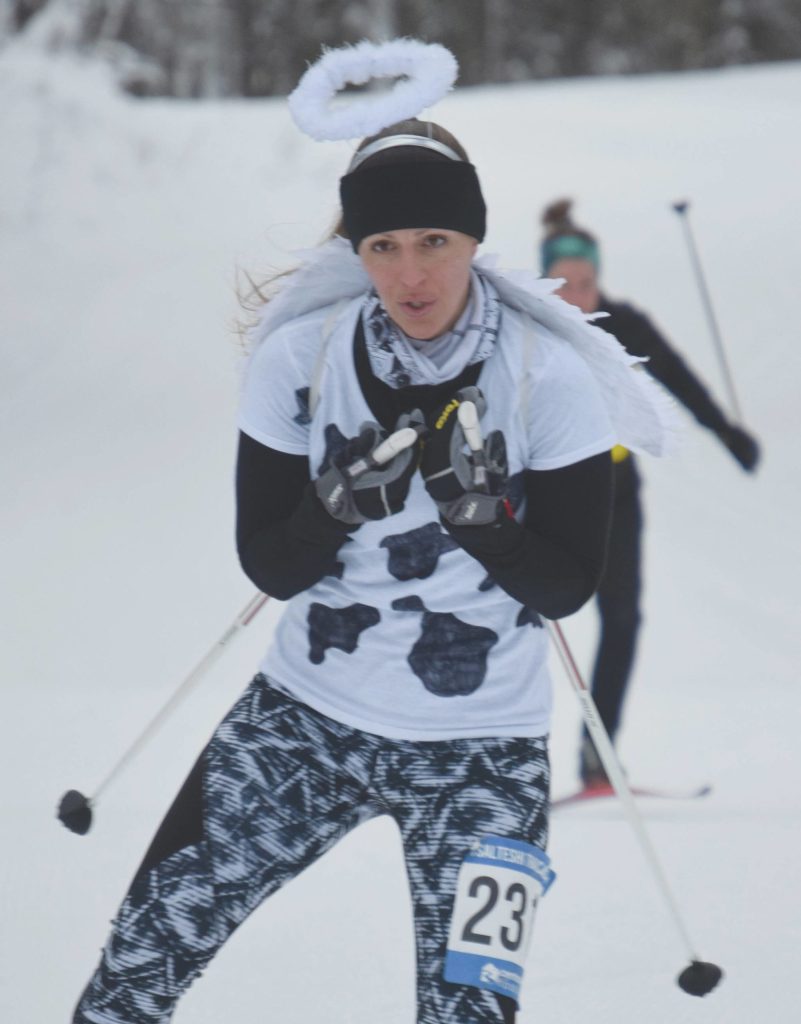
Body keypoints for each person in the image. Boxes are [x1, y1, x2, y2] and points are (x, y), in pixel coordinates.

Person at [71, 119, 670, 1024]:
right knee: (132, 978)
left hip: (485, 753)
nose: (410, 273)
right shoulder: (299, 361)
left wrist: (485, 525)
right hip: (300, 727)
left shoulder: (549, 375)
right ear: (356, 250)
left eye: (434, 241)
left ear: (473, 237)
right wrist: (333, 507)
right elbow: (269, 566)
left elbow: (565, 589)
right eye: (382, 247)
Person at [539, 199, 761, 789]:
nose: (577, 296)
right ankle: (505, 757)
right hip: (544, 494)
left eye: (587, 283)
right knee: (523, 619)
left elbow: (678, 376)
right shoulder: (529, 328)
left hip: (614, 493)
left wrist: (727, 432)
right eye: (564, 284)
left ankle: (598, 755)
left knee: (623, 620)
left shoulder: (624, 324)